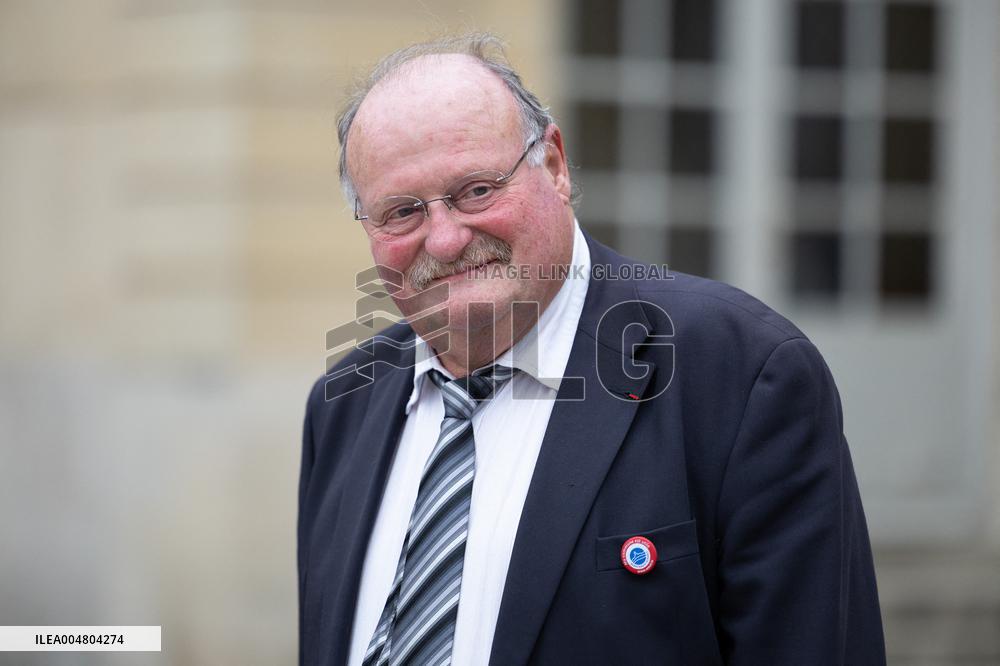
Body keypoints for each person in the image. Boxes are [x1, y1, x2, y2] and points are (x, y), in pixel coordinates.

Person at [298, 34, 886, 665]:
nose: (442, 240)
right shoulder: (344, 405)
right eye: (401, 212)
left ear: (553, 164)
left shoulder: (741, 374)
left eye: (476, 191)